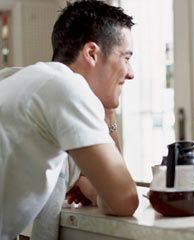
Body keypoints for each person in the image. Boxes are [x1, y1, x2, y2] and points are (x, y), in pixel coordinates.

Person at [0, 1, 139, 239]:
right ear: (92, 53)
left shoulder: (16, 78)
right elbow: (124, 199)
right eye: (125, 57)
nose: (131, 72)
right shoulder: (67, 88)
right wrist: (108, 111)